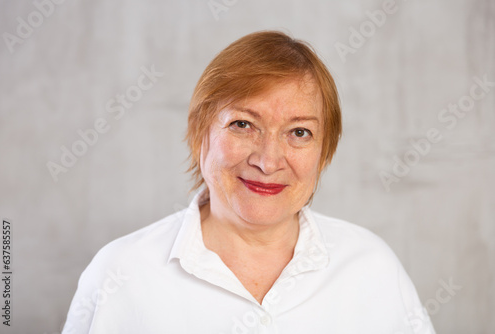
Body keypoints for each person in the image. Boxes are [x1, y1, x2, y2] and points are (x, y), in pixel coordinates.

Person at [63, 31, 436, 334]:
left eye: (300, 132)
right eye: (243, 124)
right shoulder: (120, 273)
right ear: (200, 134)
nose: (267, 160)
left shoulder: (373, 268)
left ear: (324, 152)